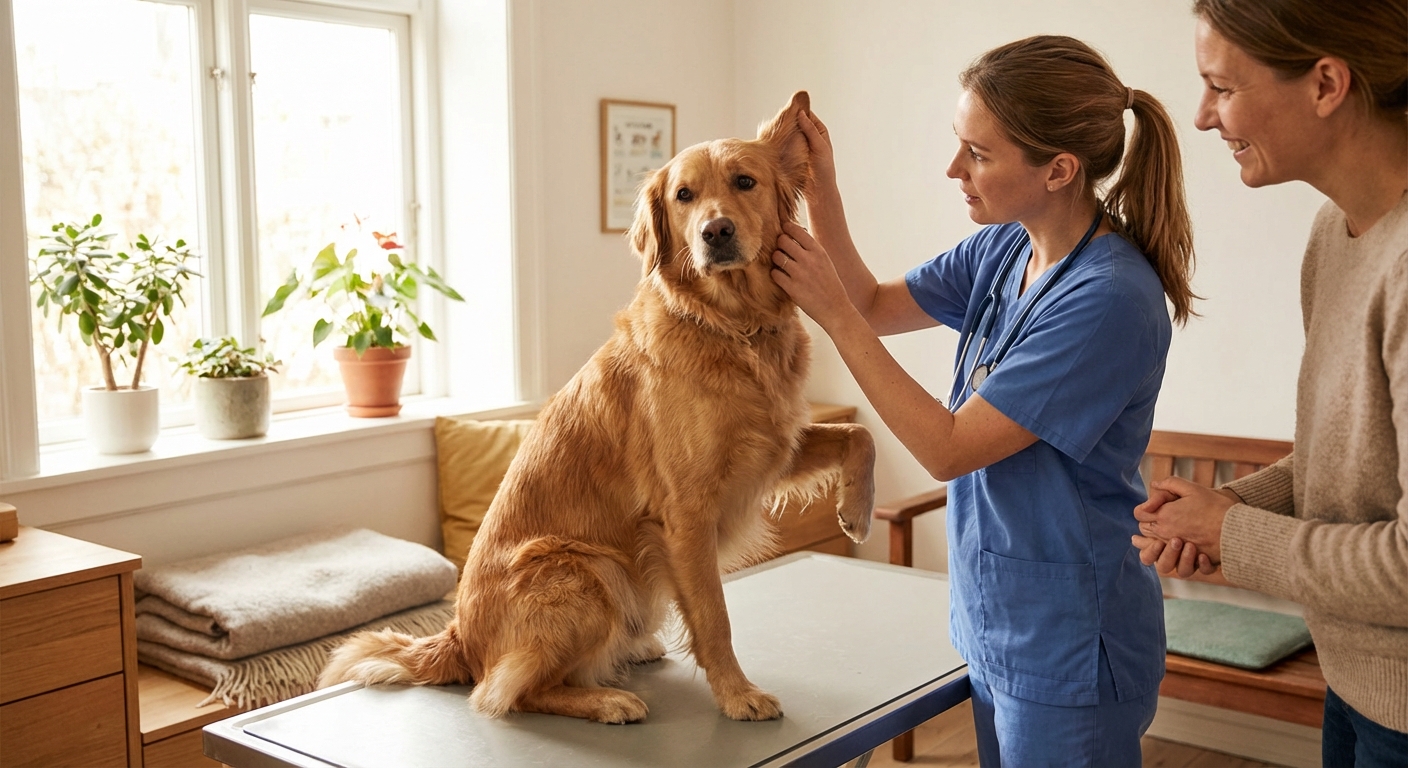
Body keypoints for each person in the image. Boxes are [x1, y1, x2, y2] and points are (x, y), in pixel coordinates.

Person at [770, 35, 1196, 767]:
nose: (954, 169)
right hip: (998, 620)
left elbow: (948, 448)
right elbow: (872, 303)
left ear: (1058, 169)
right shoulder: (1005, 248)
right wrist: (820, 189)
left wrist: (832, 316)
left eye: (977, 154)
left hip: (1070, 645)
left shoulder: (1108, 298)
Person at [1130, 0, 1408, 764]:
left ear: (1326, 84)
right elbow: (1347, 463)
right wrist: (1230, 506)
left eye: (1222, 87)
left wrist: (1232, 536)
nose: (1201, 116)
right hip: (1356, 685)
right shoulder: (1335, 233)